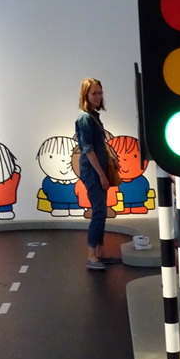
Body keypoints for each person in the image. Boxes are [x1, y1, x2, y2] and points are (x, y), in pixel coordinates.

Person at [74, 77, 111, 270]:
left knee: (101, 211)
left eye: (99, 92)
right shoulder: (85, 118)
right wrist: (102, 175)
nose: (98, 97)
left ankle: (99, 252)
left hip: (97, 170)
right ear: (86, 95)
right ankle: (91, 255)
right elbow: (88, 150)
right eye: (94, 93)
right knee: (99, 211)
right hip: (92, 171)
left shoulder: (94, 116)